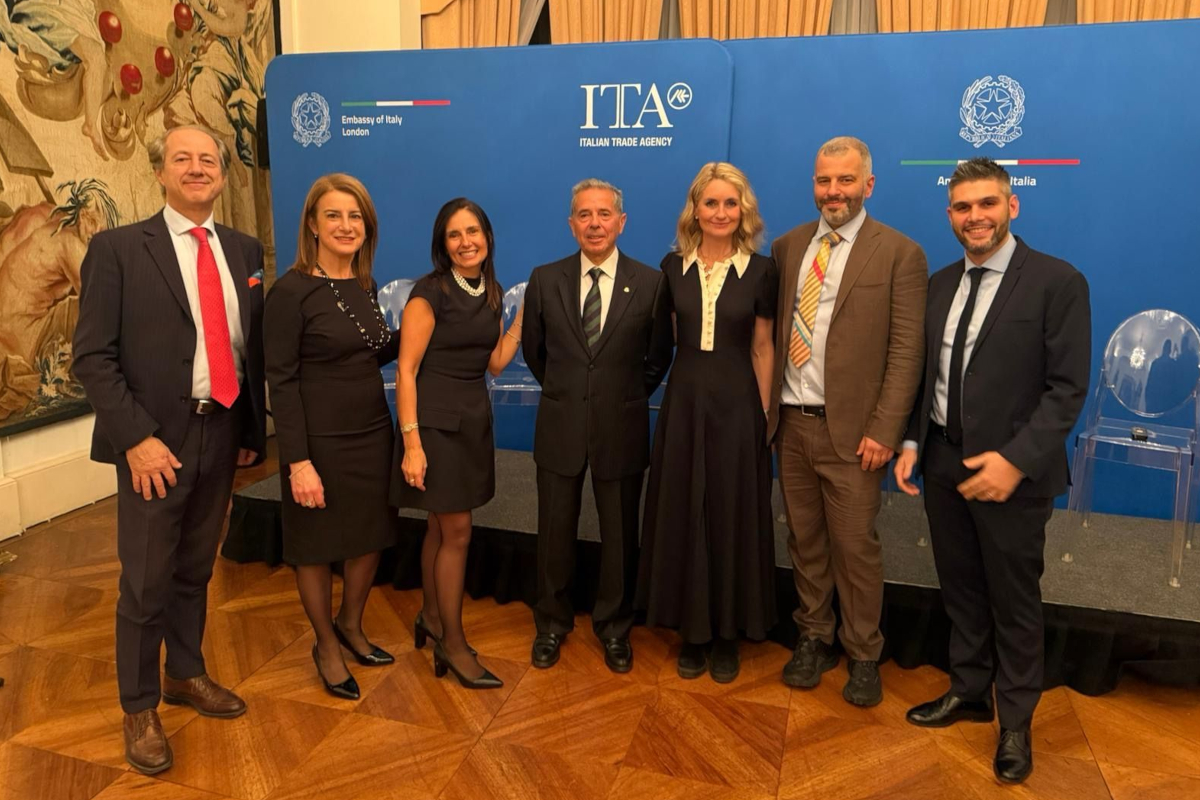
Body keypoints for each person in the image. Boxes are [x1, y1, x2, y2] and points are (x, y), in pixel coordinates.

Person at [73, 125, 267, 774]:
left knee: (195, 568)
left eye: (208, 159)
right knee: (145, 580)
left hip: (223, 433)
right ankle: (138, 706)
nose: (196, 168)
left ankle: (185, 672)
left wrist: (250, 434)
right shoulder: (119, 250)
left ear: (223, 175)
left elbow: (248, 348)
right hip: (154, 444)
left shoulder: (243, 250)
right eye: (182, 158)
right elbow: (92, 358)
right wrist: (135, 439)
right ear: (160, 172)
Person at [895, 158, 1090, 784]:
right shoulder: (939, 283)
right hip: (942, 462)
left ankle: (1016, 723)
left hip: (1013, 474)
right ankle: (970, 690)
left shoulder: (1058, 281)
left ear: (1012, 206)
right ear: (949, 214)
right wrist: (911, 440)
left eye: (987, 203)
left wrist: (1016, 461)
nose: (974, 216)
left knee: (1014, 600)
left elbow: (1066, 389)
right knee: (961, 589)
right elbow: (925, 373)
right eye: (962, 207)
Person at [768, 136, 926, 705]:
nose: (833, 191)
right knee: (804, 539)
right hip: (792, 424)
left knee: (855, 548)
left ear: (868, 185)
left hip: (856, 434)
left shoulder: (900, 253)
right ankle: (814, 636)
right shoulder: (787, 247)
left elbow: (907, 351)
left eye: (845, 180)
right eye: (823, 180)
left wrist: (885, 429)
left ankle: (863, 652)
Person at [522, 178, 673, 673]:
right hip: (560, 425)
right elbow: (536, 353)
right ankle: (551, 624)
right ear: (571, 224)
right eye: (584, 215)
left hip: (621, 428)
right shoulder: (545, 279)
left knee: (621, 537)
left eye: (604, 214)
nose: (594, 223)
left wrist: (618, 398)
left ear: (621, 222)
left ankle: (614, 628)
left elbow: (657, 358)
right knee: (554, 533)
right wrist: (570, 394)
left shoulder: (651, 283)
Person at [636, 163, 777, 682]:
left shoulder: (762, 270)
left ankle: (727, 634)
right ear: (695, 210)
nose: (720, 212)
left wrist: (765, 418)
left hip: (739, 406)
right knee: (684, 509)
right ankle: (690, 632)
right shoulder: (672, 268)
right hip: (685, 404)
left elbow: (763, 348)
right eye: (711, 203)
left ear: (744, 211)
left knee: (730, 511)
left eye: (730, 203)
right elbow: (666, 339)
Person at [264, 173, 400, 701]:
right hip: (317, 442)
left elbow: (373, 350)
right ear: (313, 226)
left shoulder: (364, 286)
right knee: (316, 547)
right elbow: (281, 381)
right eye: (334, 216)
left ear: (367, 227)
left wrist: (429, 326)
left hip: (372, 433)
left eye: (355, 216)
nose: (346, 225)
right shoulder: (290, 292)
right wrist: (297, 462)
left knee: (371, 534)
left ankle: (350, 624)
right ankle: (325, 645)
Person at [392, 198, 524, 689]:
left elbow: (493, 363)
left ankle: (430, 616)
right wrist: (412, 444)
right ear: (442, 244)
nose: (466, 242)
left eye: (473, 231)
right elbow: (406, 371)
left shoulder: (490, 290)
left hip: (471, 423)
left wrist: (522, 322)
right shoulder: (429, 293)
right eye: (454, 234)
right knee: (459, 532)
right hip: (433, 427)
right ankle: (453, 642)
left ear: (487, 236)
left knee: (439, 526)